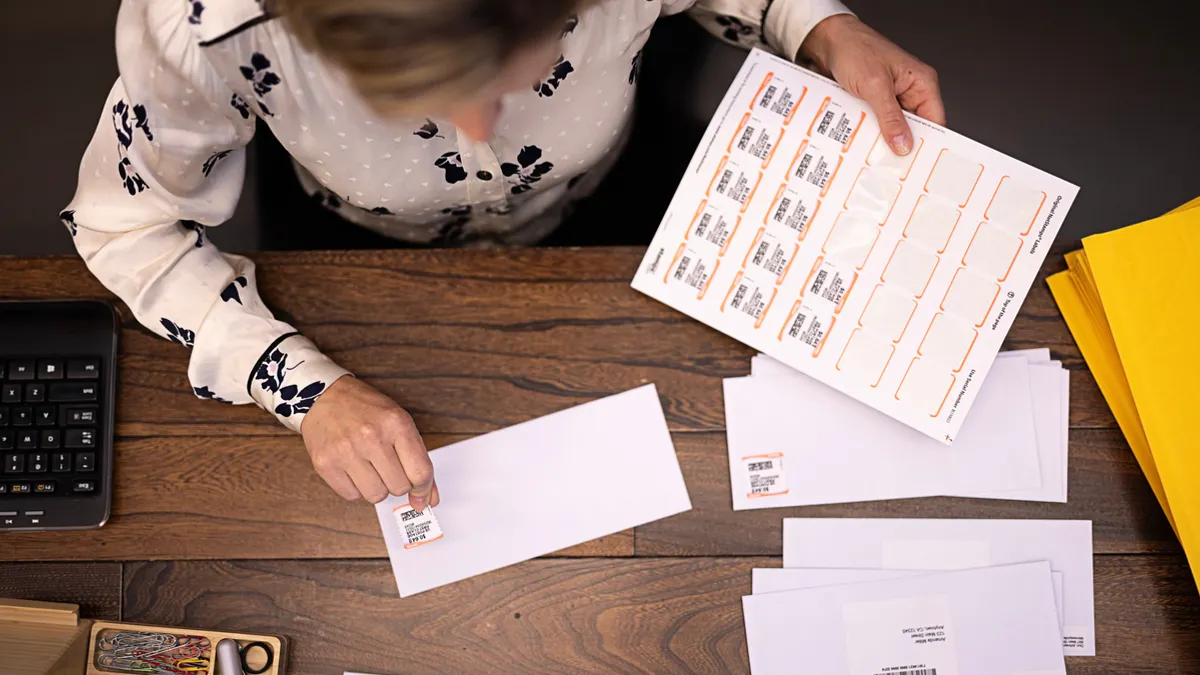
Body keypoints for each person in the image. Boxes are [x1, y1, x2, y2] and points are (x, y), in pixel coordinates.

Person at [62, 0, 944, 509]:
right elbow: (121, 225)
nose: (480, 135)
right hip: (356, 248)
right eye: (420, 99)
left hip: (625, 195)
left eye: (521, 76)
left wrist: (819, 26)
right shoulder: (204, 27)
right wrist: (296, 381)